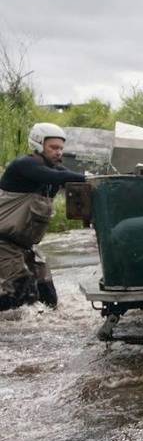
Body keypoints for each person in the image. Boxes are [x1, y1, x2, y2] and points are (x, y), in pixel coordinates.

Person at [0, 123, 86, 310]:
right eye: (53, 147)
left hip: (26, 245)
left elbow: (71, 177)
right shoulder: (24, 165)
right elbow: (56, 178)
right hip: (4, 243)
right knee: (18, 293)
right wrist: (87, 178)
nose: (59, 152)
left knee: (48, 296)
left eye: (61, 148)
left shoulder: (56, 169)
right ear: (38, 144)